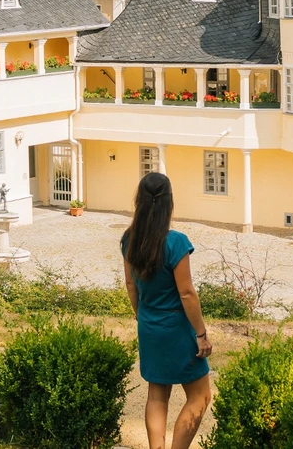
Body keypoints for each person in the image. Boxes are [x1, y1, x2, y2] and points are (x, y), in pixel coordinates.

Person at [121, 172, 212, 449]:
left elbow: (131, 285)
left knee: (157, 395)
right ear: (168, 203)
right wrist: (201, 334)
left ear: (139, 201)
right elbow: (186, 293)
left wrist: (142, 316)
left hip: (149, 326)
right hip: (177, 329)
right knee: (200, 396)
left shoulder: (129, 240)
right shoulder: (176, 243)